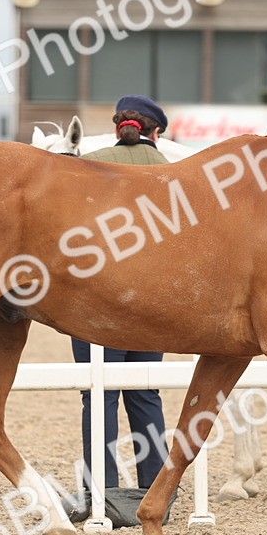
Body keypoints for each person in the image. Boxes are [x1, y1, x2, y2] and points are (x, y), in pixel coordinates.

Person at [72, 95, 171, 492]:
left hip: (94, 301)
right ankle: (156, 486)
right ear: (156, 132)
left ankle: (103, 489)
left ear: (119, 128)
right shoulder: (175, 171)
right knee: (145, 392)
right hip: (154, 301)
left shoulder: (83, 165)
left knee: (99, 397)